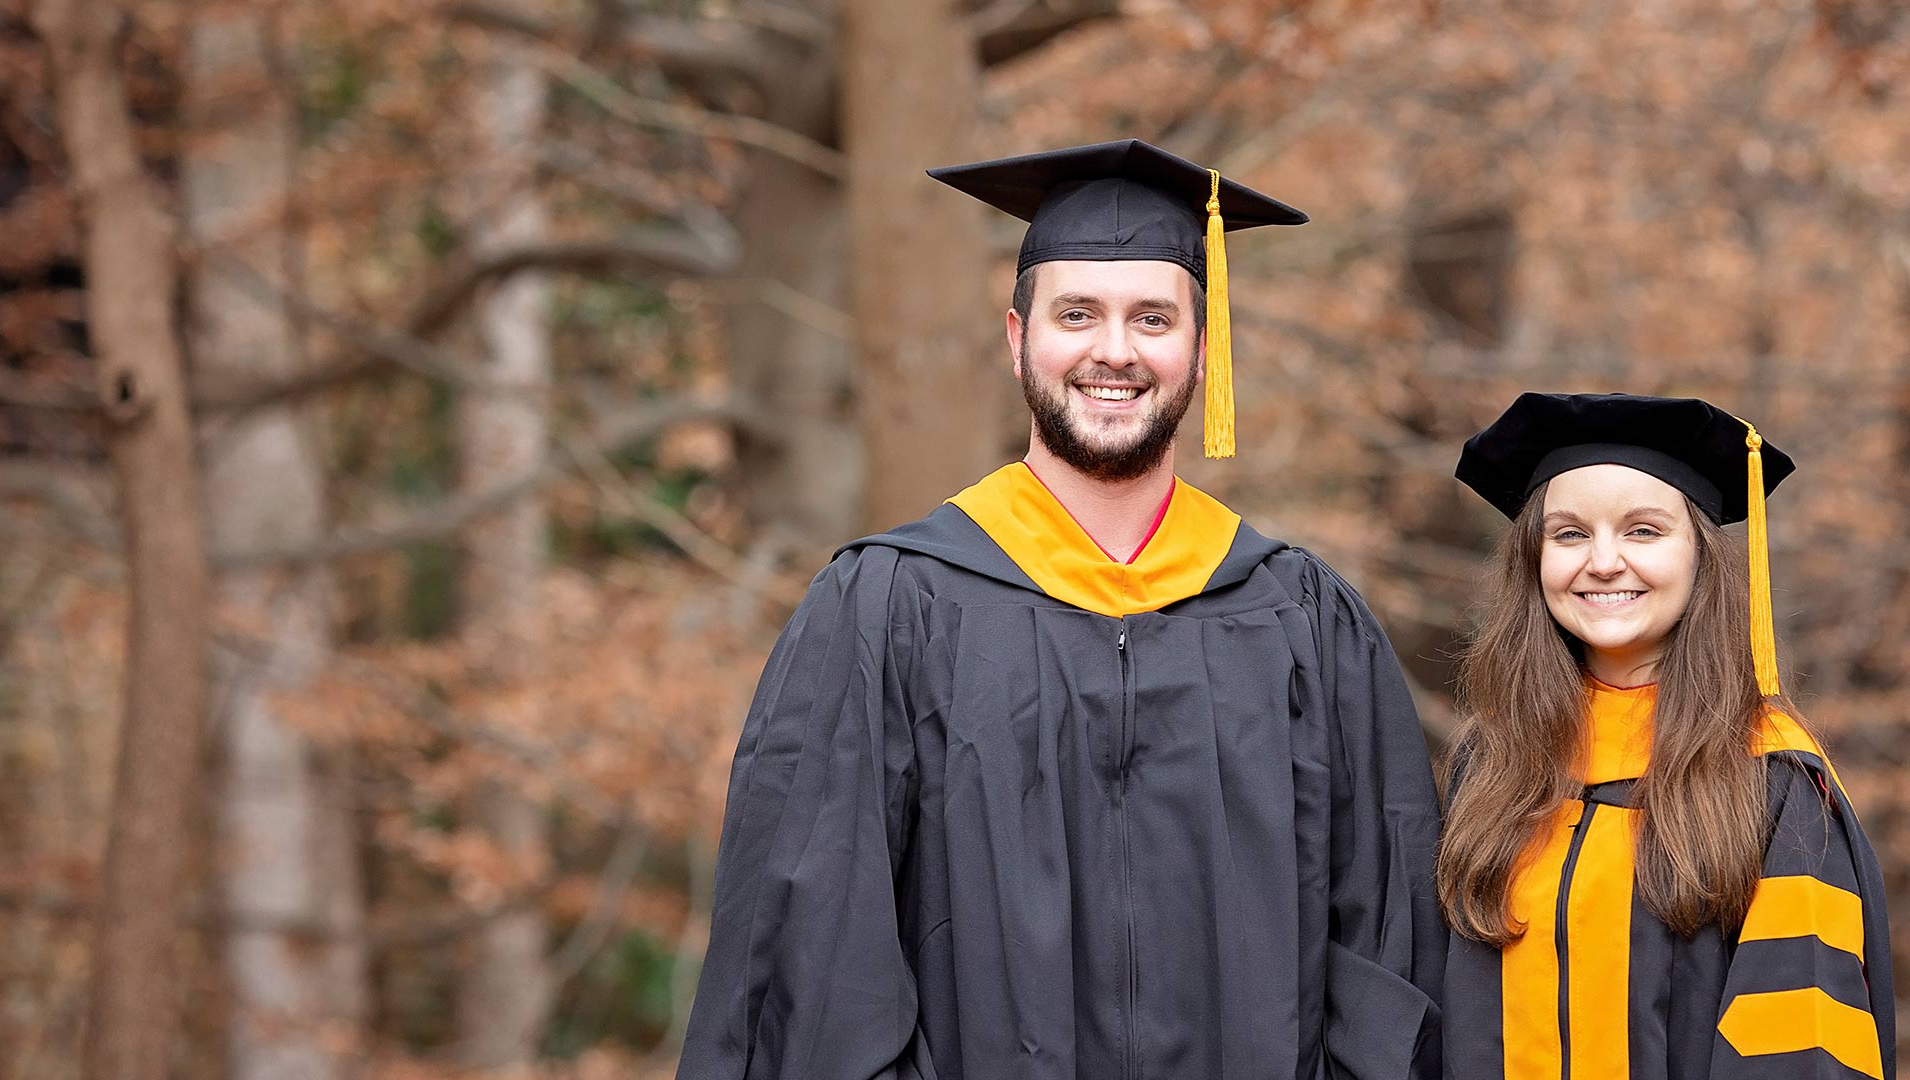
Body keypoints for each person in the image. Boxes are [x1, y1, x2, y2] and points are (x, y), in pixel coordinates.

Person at [674, 139, 1445, 1080]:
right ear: (1017, 339)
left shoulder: (1305, 626)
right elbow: (808, 953)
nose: (1113, 351)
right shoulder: (888, 611)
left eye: (1152, 318)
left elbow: (1389, 947)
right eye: (1077, 313)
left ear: (1203, 350)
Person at [1439, 392, 1895, 1080]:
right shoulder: (1494, 762)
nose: (1602, 561)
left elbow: (1800, 1045)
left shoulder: (1769, 777)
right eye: (1568, 534)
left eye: (1643, 531)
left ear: (1701, 556)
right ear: (1533, 563)